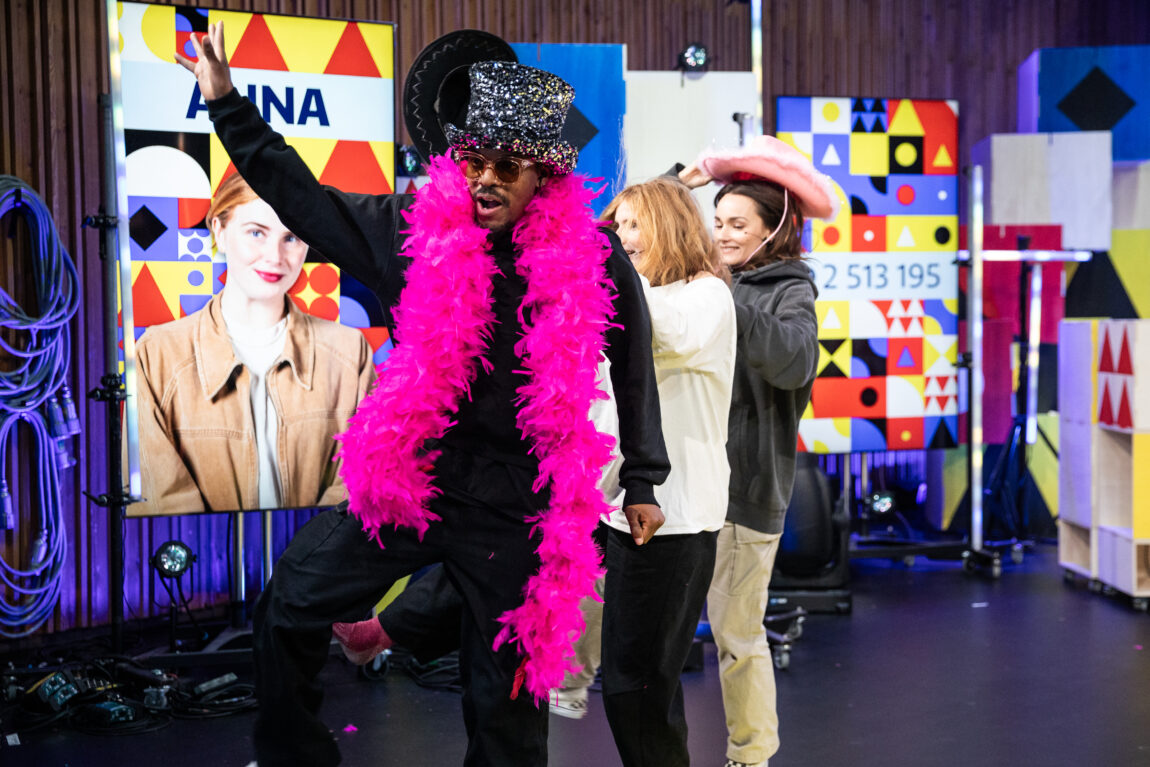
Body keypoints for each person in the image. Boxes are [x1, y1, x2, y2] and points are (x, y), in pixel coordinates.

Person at [175, 24, 669, 767]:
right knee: (287, 604)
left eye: (509, 165)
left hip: (515, 503)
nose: (488, 180)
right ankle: (296, 754)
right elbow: (301, 197)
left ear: (546, 176)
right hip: (416, 482)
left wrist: (643, 476)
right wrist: (224, 101)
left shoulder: (591, 255)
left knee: (505, 702)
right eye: (475, 161)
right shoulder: (411, 230)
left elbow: (634, 360)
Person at [339, 177, 736, 767]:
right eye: (615, 225)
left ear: (671, 227)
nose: (619, 237)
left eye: (633, 225)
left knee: (638, 688)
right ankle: (388, 631)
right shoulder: (620, 294)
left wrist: (572, 271)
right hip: (599, 507)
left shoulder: (705, 296)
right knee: (499, 566)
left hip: (671, 520)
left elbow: (656, 333)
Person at [682, 134, 839, 767]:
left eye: (736, 224)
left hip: (746, 495)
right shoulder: (705, 281)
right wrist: (680, 181)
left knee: (737, 638)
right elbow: (626, 231)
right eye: (716, 222)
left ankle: (751, 758)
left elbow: (792, 361)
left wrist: (725, 292)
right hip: (684, 487)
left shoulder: (790, 292)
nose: (720, 234)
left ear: (774, 232)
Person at [131, 172, 375, 515]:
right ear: (219, 230)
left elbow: (356, 489)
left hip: (317, 566)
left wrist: (306, 563)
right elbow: (161, 502)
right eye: (257, 233)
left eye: (291, 237)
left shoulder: (351, 353)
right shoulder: (156, 354)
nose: (275, 257)